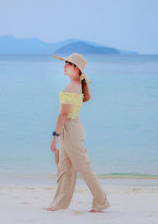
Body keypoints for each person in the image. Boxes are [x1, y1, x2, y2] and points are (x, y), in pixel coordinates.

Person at [44, 53, 110, 213]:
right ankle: (59, 204)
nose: (65, 66)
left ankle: (101, 201)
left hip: (71, 130)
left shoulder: (71, 87)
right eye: (65, 63)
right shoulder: (77, 85)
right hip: (72, 129)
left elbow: (63, 114)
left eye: (69, 64)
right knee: (65, 168)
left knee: (84, 168)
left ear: (77, 69)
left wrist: (55, 136)